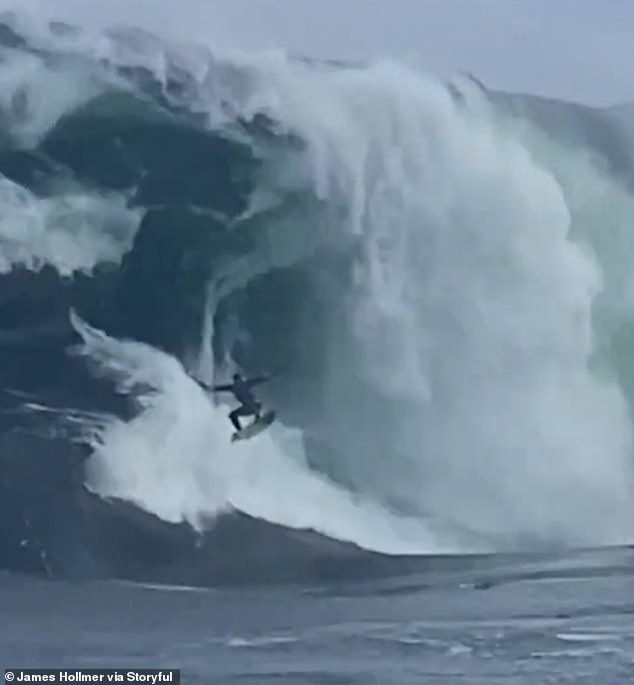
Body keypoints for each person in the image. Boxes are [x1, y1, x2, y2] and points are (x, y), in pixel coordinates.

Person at [202, 372, 273, 431]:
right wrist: (268, 377)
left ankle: (243, 428)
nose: (238, 383)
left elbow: (218, 389)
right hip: (254, 408)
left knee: (233, 415)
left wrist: (207, 388)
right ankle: (253, 421)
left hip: (253, 407)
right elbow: (258, 380)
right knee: (233, 414)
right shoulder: (244, 384)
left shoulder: (234, 387)